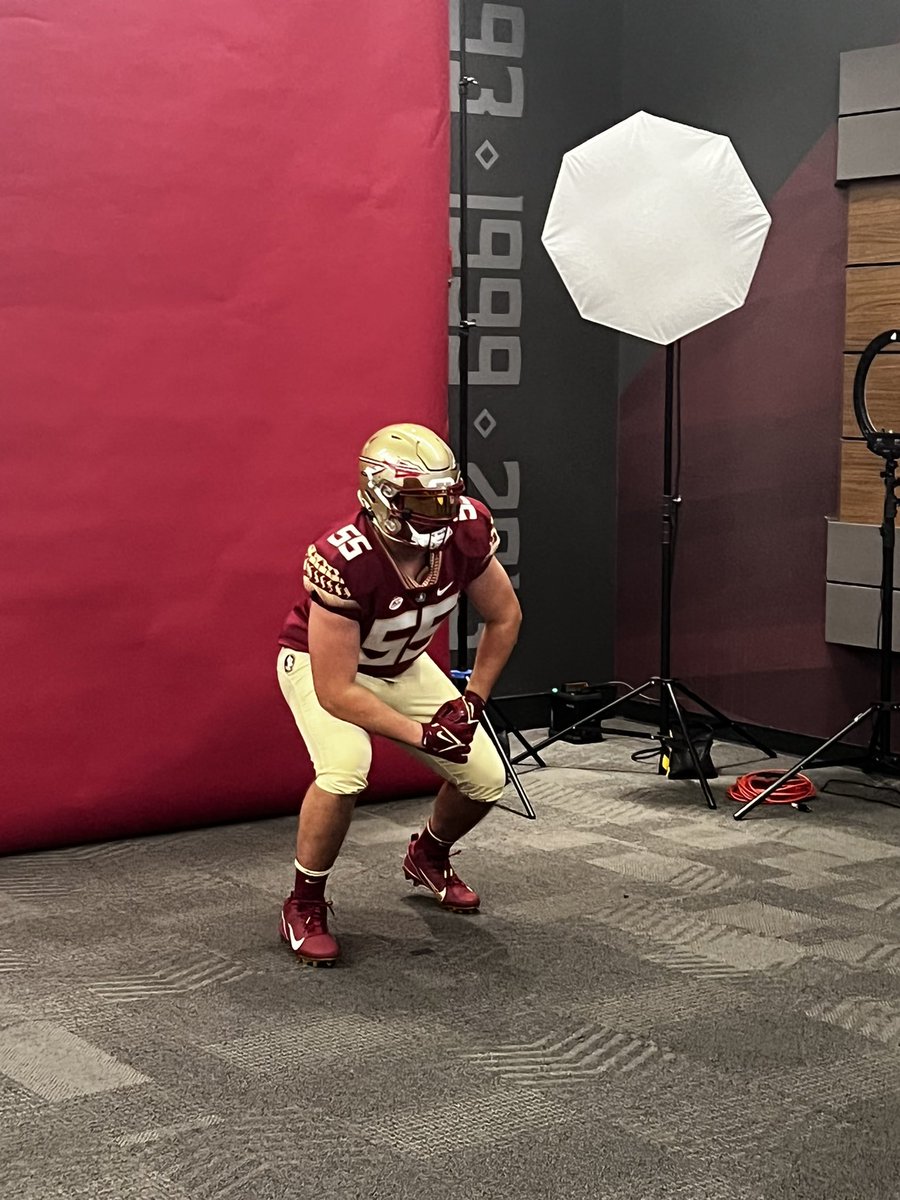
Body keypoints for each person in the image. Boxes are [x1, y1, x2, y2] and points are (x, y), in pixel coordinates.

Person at [276, 422, 522, 966]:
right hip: (323, 667)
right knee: (345, 767)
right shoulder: (345, 556)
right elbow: (337, 691)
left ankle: (427, 855)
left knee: (484, 778)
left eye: (444, 498)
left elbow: (504, 616)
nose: (437, 513)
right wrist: (422, 734)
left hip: (404, 665)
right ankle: (304, 902)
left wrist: (472, 701)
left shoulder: (467, 530)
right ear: (380, 495)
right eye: (420, 500)